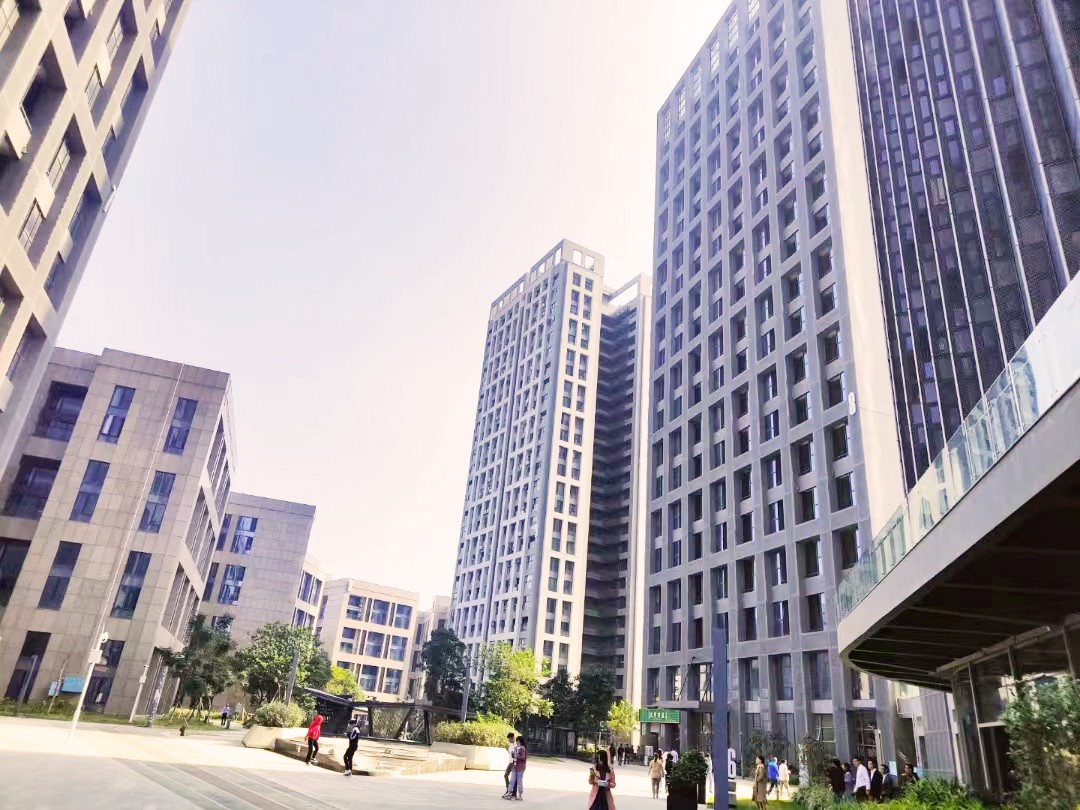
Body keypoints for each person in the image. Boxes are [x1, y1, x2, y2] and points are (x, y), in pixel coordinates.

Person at [505, 735, 526, 801]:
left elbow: (522, 757)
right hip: (514, 766)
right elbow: (513, 756)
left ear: (519, 741)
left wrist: (516, 754)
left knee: (519, 781)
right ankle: (509, 793)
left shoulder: (522, 748)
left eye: (517, 741)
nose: (516, 742)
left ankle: (520, 795)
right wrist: (513, 753)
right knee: (512, 780)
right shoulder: (516, 748)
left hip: (520, 768)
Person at [502, 733, 519, 798]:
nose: (508, 740)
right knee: (506, 775)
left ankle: (513, 793)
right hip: (510, 762)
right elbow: (509, 752)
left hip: (515, 763)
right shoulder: (511, 744)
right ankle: (508, 790)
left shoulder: (517, 745)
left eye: (509, 739)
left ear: (512, 738)